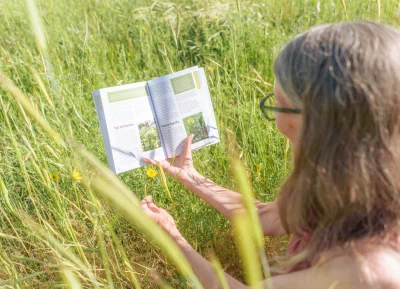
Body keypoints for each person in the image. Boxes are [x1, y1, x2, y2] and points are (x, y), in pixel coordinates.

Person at [141, 21, 400, 288]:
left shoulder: (364, 271)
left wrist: (172, 238)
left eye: (279, 104)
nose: (275, 117)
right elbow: (262, 215)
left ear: (320, 126)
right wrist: (191, 177)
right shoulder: (350, 182)